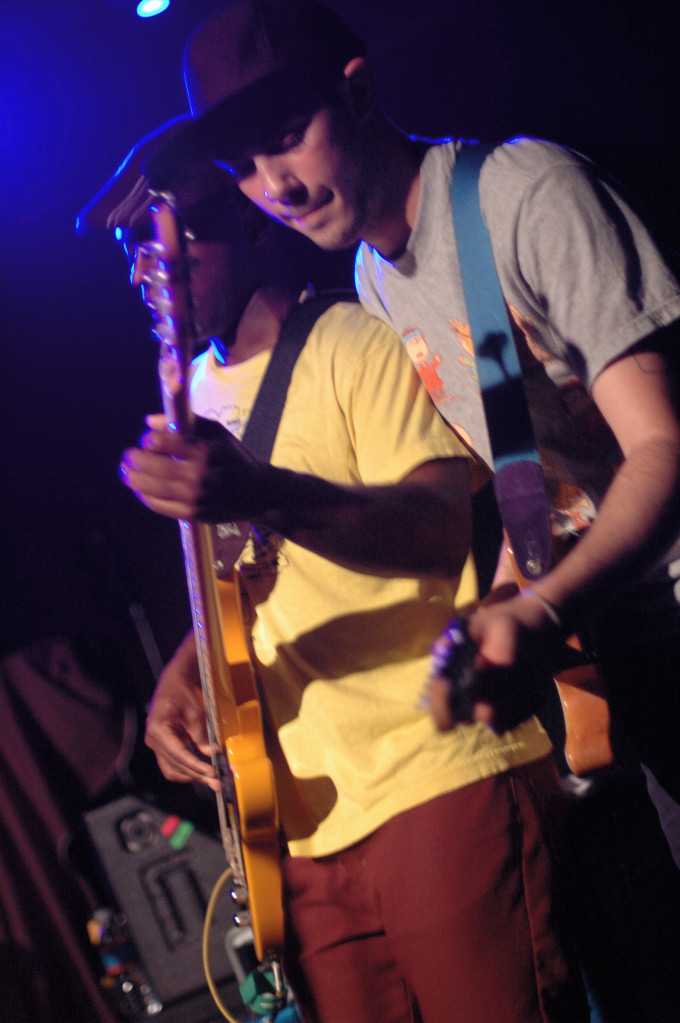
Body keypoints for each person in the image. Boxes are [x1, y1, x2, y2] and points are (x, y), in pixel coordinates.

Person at [143, 0, 680, 868]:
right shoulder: (376, 278)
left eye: (287, 139)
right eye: (244, 168)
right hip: (638, 640)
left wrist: (543, 606)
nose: (276, 188)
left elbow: (661, 447)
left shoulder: (525, 193)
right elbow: (536, 478)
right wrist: (503, 606)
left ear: (357, 94)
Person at [80, 117, 590, 1022]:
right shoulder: (193, 394)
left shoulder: (353, 341)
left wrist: (260, 490)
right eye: (131, 253)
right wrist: (182, 676)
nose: (146, 270)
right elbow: (258, 576)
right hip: (304, 831)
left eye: (171, 238)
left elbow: (437, 532)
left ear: (247, 221)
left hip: (436, 775)